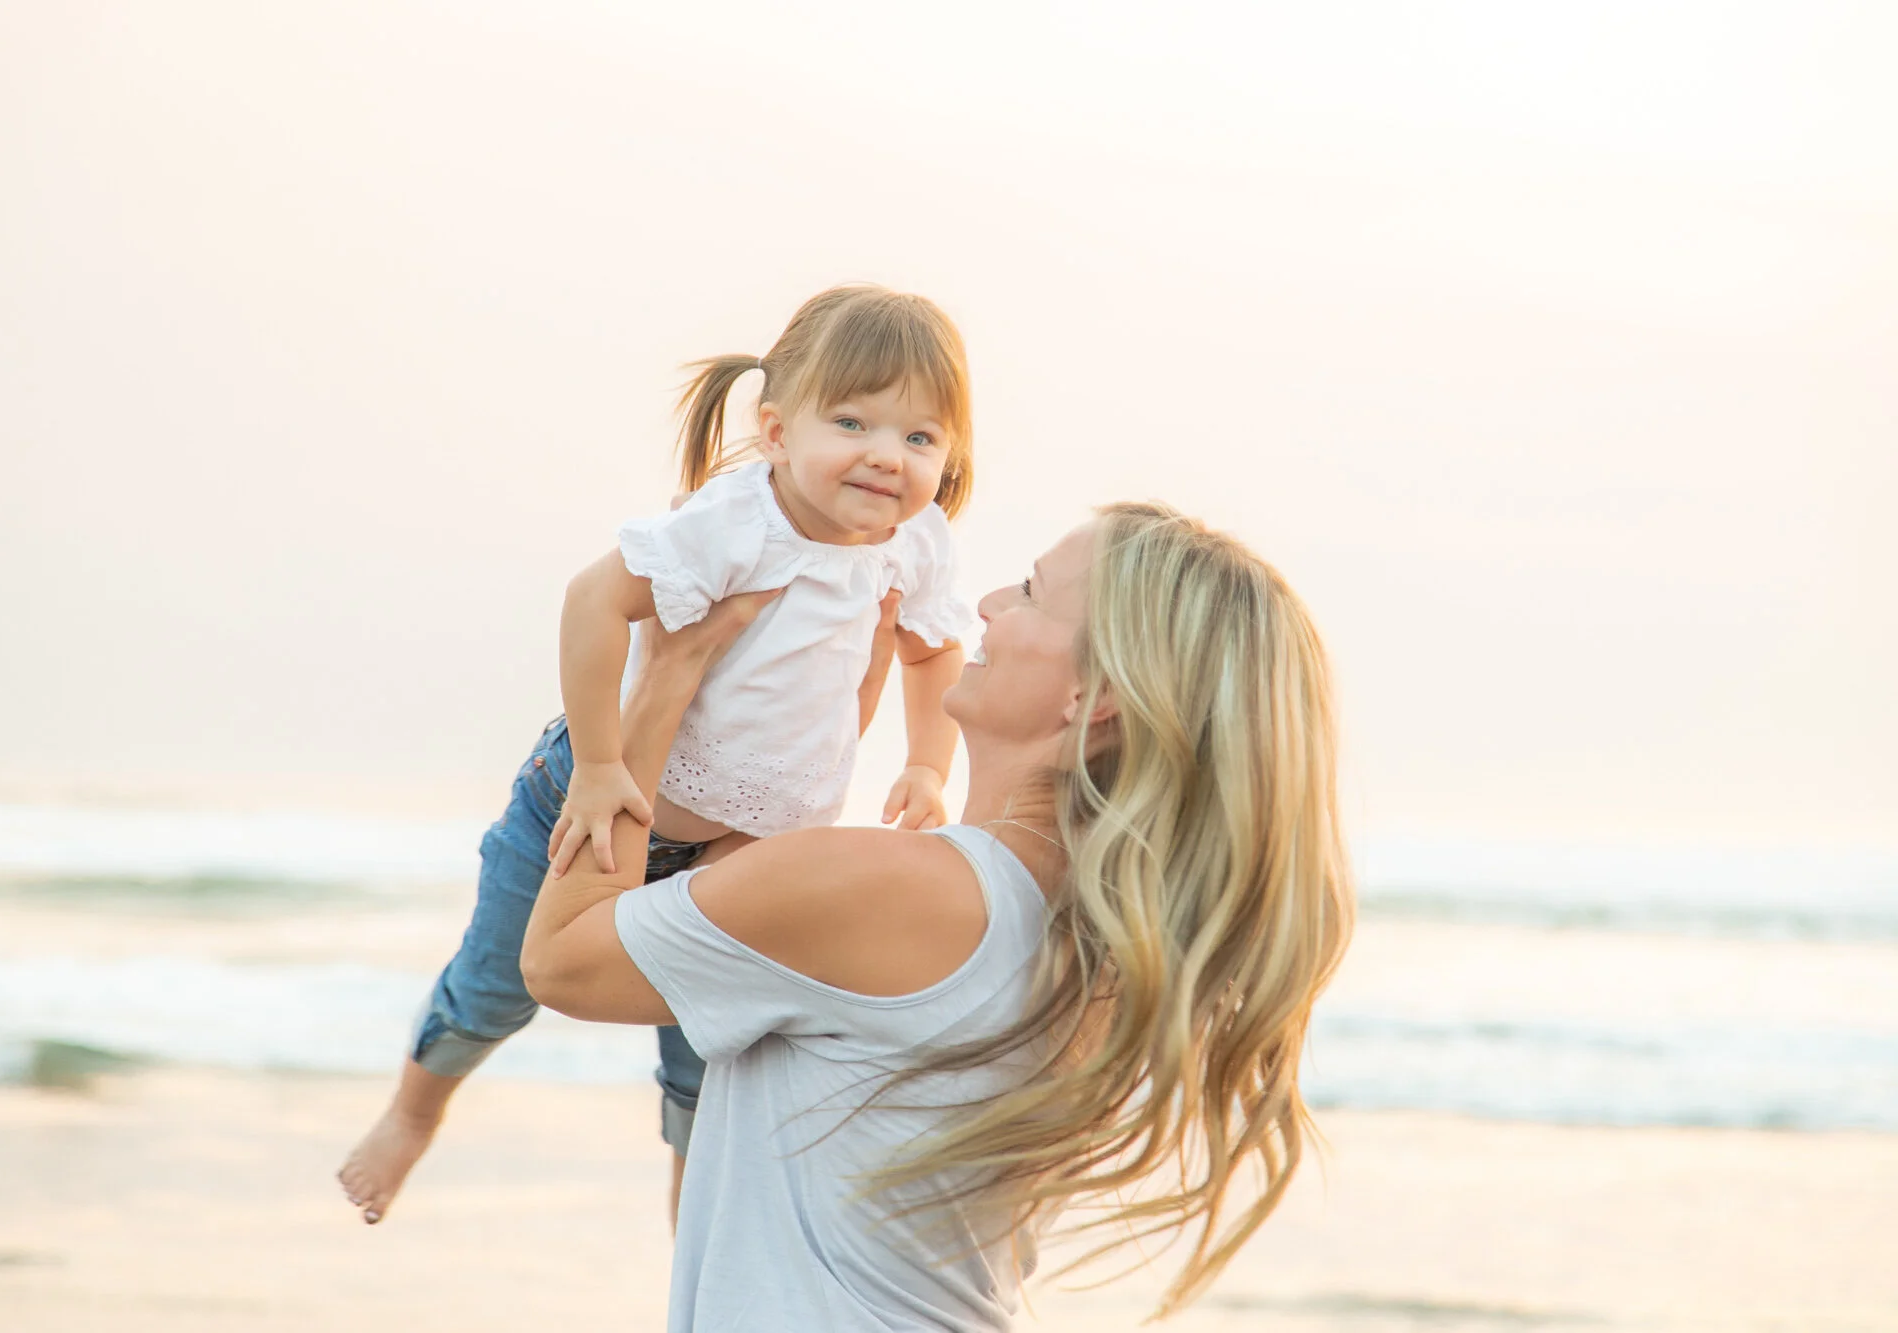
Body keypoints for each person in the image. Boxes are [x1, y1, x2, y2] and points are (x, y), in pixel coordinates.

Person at [523, 501, 1356, 1330]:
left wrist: (669, 674)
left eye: (1031, 591)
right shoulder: (1102, 953)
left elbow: (563, 956)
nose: (990, 601)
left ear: (1092, 695)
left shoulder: (900, 890)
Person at [339, 285, 978, 1226]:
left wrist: (927, 763)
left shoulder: (916, 545)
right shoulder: (734, 524)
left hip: (749, 845)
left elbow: (934, 649)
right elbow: (593, 602)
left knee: (708, 1053)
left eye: (921, 438)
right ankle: (411, 1114)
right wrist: (600, 766)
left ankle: (695, 1234)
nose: (888, 454)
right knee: (497, 984)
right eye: (854, 421)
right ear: (775, 431)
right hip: (603, 799)